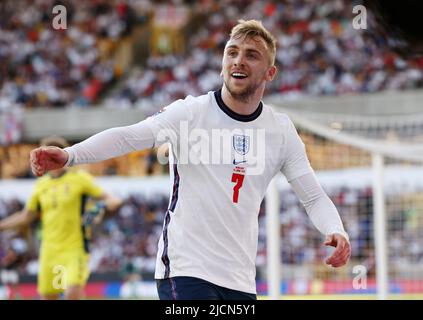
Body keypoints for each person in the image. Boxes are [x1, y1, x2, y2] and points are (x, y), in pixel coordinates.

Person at [29, 20, 351, 300]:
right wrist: (71, 155)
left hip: (239, 279)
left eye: (251, 55)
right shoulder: (191, 111)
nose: (238, 60)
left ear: (270, 72)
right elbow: (129, 136)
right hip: (185, 269)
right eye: (232, 52)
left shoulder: (280, 131)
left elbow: (312, 195)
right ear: (223, 62)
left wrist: (336, 229)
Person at [0, 136, 122, 300]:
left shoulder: (80, 179)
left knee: (72, 294)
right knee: (49, 296)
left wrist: (104, 206)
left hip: (75, 248)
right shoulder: (41, 185)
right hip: (49, 251)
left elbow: (112, 199)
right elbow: (26, 216)